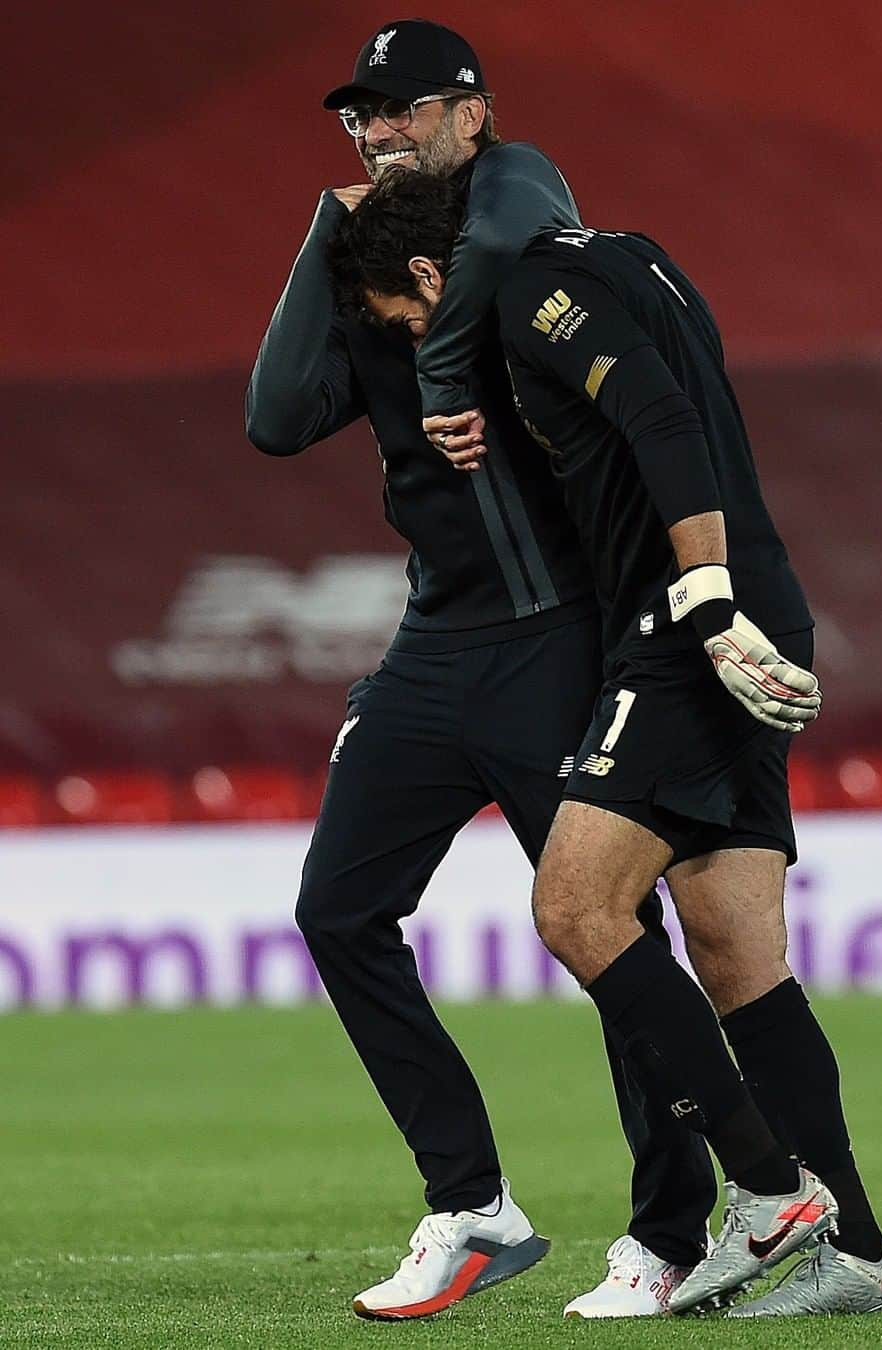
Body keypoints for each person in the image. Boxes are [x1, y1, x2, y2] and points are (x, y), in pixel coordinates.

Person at [330, 172, 882, 1319]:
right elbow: (672, 390)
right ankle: (860, 1254)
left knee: (576, 912)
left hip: (682, 627)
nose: (416, 346)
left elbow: (658, 416)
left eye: (407, 322)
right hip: (756, 605)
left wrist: (696, 588)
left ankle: (765, 1190)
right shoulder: (630, 251)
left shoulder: (531, 294)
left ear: (435, 279)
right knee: (740, 955)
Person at [246, 18, 716, 1321]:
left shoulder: (518, 200)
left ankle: (671, 1230)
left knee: (604, 927)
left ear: (472, 112)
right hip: (435, 642)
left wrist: (446, 343)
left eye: (403, 111)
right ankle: (473, 1204)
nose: (380, 133)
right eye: (362, 118)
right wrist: (322, 222)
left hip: (557, 635)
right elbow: (278, 418)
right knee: (336, 910)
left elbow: (522, 197)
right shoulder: (366, 251)